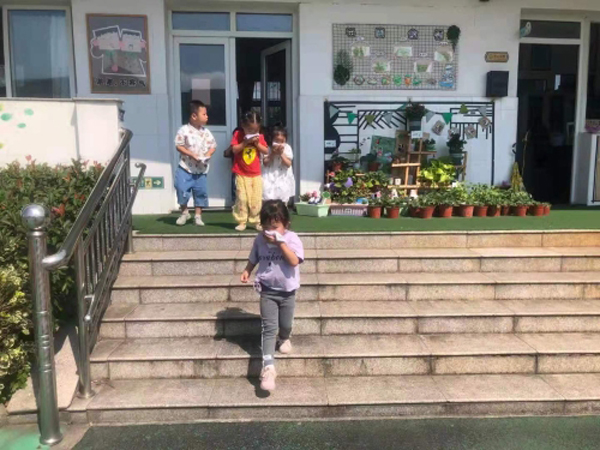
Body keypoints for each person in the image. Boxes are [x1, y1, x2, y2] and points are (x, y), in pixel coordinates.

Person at [240, 200, 304, 392]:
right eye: (266, 227)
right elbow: (254, 256)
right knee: (268, 329)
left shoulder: (292, 238)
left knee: (285, 324)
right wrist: (247, 270)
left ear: (286, 225)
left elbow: (294, 261)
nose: (270, 231)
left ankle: (284, 337)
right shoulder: (260, 239)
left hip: (287, 292)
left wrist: (280, 243)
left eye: (275, 227)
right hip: (267, 290)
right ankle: (268, 368)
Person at [174, 100, 216, 226]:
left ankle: (198, 216)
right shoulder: (183, 130)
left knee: (200, 192)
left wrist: (208, 154)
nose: (207, 116)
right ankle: (184, 212)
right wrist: (191, 154)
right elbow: (178, 145)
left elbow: (213, 145)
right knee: (181, 188)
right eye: (204, 114)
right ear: (194, 116)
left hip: (201, 169)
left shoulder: (206, 132)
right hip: (185, 167)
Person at [231, 111, 269, 231]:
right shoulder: (238, 134)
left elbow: (266, 151)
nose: (252, 133)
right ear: (243, 126)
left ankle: (256, 220)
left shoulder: (260, 137)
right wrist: (245, 143)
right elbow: (234, 150)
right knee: (242, 198)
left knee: (256, 199)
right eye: (249, 130)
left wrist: (257, 144)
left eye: (255, 130)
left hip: (255, 173)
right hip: (241, 172)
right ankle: (242, 221)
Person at [262, 126, 296, 205]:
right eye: (277, 141)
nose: (279, 144)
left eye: (282, 141)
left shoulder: (287, 148)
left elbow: (288, 164)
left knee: (282, 199)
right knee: (267, 198)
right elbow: (265, 162)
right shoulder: (268, 148)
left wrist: (281, 154)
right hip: (269, 176)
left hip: (282, 176)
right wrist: (273, 153)